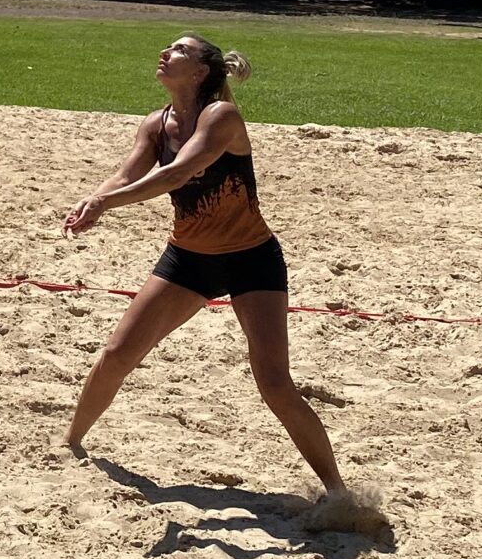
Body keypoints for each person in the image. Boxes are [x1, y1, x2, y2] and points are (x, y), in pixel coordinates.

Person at [59, 33, 353, 509]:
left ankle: (339, 492)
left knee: (275, 383)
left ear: (199, 72)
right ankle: (70, 443)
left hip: (250, 260)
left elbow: (175, 176)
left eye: (178, 51)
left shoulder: (222, 117)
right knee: (117, 354)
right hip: (188, 259)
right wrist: (95, 197)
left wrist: (104, 203)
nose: (164, 52)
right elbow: (127, 174)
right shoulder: (157, 124)